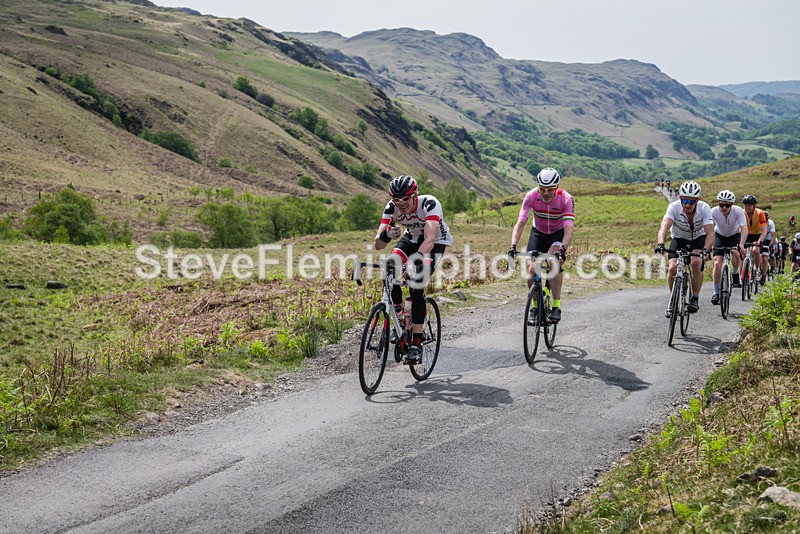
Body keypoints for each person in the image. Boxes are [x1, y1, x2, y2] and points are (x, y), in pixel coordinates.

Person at [374, 175, 452, 365]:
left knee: (416, 284)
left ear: (415, 195)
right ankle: (400, 316)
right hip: (411, 238)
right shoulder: (392, 208)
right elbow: (377, 244)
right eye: (396, 199)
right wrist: (385, 235)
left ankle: (417, 342)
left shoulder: (429, 204)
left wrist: (414, 262)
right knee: (390, 267)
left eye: (405, 199)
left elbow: (430, 239)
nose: (400, 204)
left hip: (434, 243)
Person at [508, 168, 574, 324]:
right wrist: (512, 245)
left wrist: (562, 250)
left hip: (557, 234)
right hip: (538, 232)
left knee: (553, 262)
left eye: (550, 189)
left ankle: (556, 306)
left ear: (557, 187)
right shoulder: (531, 196)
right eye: (542, 189)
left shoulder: (566, 199)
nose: (545, 193)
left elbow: (569, 229)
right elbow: (520, 224)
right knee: (532, 268)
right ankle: (534, 306)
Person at [655, 181, 714, 314]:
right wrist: (660, 244)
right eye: (685, 200)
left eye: (691, 201)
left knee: (697, 262)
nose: (687, 204)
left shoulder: (704, 208)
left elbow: (710, 232)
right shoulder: (674, 207)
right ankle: (672, 299)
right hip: (679, 238)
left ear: (697, 200)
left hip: (698, 239)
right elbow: (664, 227)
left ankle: (694, 298)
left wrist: (706, 249)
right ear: (680, 198)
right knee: (672, 268)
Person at [709, 190, 748, 304]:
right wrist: (709, 245)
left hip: (734, 235)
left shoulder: (738, 211)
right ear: (718, 204)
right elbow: (709, 229)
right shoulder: (714, 211)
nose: (724, 208)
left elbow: (744, 228)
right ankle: (716, 293)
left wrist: (741, 244)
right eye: (722, 205)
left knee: (736, 254)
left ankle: (735, 273)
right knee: (717, 263)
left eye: (727, 205)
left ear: (732, 205)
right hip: (719, 236)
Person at [742, 195, 768, 282]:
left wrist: (760, 241)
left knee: (755, 251)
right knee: (742, 252)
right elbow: (739, 227)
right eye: (745, 206)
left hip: (757, 235)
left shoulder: (760, 213)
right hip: (746, 234)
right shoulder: (742, 213)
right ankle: (742, 273)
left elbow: (764, 230)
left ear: (754, 206)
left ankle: (757, 270)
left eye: (749, 205)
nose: (747, 207)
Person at [762, 211, 776, 281]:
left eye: (766, 219)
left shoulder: (770, 223)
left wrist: (770, 244)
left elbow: (773, 236)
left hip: (767, 238)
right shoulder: (758, 221)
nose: (765, 220)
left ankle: (763, 276)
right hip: (759, 237)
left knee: (765, 257)